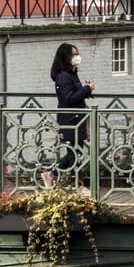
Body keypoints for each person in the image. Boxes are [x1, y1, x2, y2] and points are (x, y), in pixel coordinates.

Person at [45, 42, 92, 188]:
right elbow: (68, 97)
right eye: (74, 54)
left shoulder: (71, 74)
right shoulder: (64, 76)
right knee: (74, 152)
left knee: (76, 150)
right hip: (71, 119)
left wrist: (85, 90)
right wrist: (86, 89)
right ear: (66, 57)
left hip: (76, 118)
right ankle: (77, 183)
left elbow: (74, 94)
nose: (77, 57)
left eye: (77, 54)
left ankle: (55, 175)